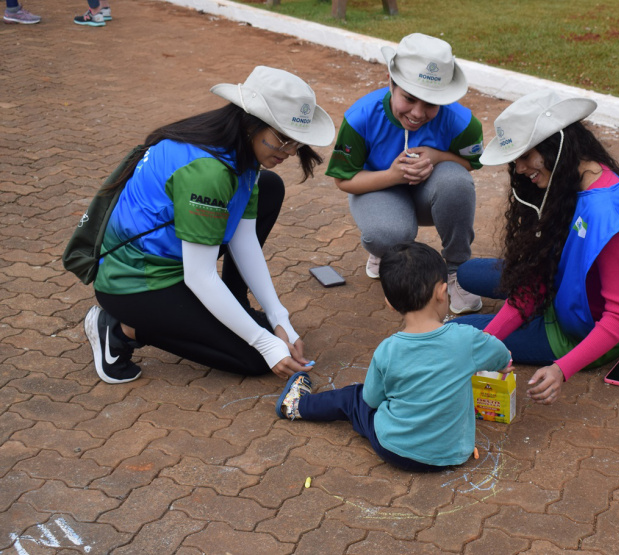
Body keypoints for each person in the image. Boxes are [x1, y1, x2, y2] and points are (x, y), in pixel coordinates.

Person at [84, 66, 336, 384]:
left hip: (174, 260)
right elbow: (200, 276)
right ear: (251, 122)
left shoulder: (240, 152)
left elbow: (244, 240)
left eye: (296, 142)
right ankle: (119, 330)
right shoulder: (209, 172)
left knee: (270, 187)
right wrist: (263, 342)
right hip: (134, 281)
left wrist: (277, 316)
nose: (290, 152)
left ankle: (232, 300)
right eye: (283, 139)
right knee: (254, 359)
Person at [454, 90, 619, 405]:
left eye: (525, 156)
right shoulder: (570, 179)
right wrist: (490, 339)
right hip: (565, 288)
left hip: (581, 328)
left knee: (458, 331)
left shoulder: (605, 213)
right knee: (467, 274)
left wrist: (562, 369)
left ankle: (541, 336)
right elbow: (533, 284)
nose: (519, 169)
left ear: (555, 146)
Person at [276, 242, 511, 471]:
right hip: (453, 452)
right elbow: (501, 353)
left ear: (389, 304)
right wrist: (502, 365)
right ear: (442, 292)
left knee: (352, 397)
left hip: (395, 449)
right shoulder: (467, 339)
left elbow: (371, 399)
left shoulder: (387, 350)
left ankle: (297, 405)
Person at [325, 33, 484, 314]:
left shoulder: (462, 122)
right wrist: (392, 175)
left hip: (429, 195)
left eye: (431, 104)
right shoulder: (361, 117)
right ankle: (384, 253)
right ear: (390, 80)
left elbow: (471, 162)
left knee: (457, 182)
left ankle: (457, 271)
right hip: (378, 189)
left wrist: (438, 157)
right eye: (409, 99)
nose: (418, 113)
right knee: (387, 233)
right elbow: (343, 180)